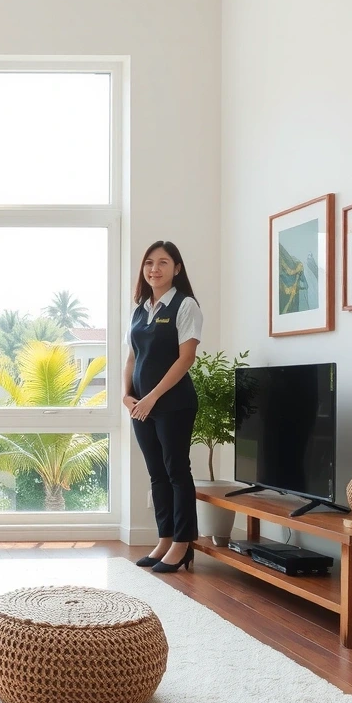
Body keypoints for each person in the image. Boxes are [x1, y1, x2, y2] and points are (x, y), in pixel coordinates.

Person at [123, 240, 203, 573]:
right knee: (157, 475)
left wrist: (152, 396)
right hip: (140, 406)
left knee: (176, 472)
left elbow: (186, 358)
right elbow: (132, 357)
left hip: (173, 403)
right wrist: (126, 395)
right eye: (149, 263)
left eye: (163, 263)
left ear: (177, 269)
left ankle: (183, 544)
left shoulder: (185, 306)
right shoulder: (140, 309)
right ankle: (165, 539)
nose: (154, 269)